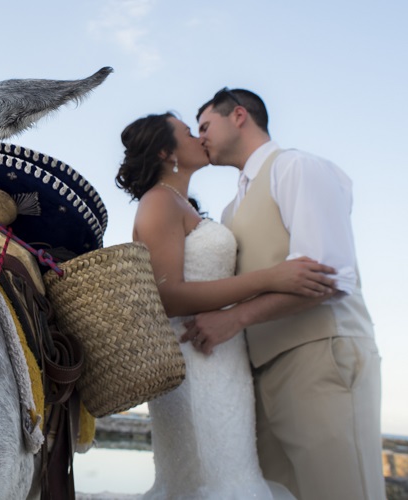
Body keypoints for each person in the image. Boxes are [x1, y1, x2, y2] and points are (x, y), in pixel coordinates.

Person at [115, 113, 335, 499]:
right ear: (167, 151)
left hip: (224, 361)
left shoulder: (184, 204)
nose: (200, 136)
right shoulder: (158, 202)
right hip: (193, 358)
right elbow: (169, 296)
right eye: (188, 131)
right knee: (208, 479)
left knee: (234, 475)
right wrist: (271, 278)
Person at [188, 88, 384, 500]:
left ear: (239, 115)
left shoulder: (296, 168)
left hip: (321, 356)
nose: (199, 136)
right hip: (261, 373)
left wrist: (234, 318)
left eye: (205, 126)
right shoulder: (229, 209)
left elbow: (328, 278)